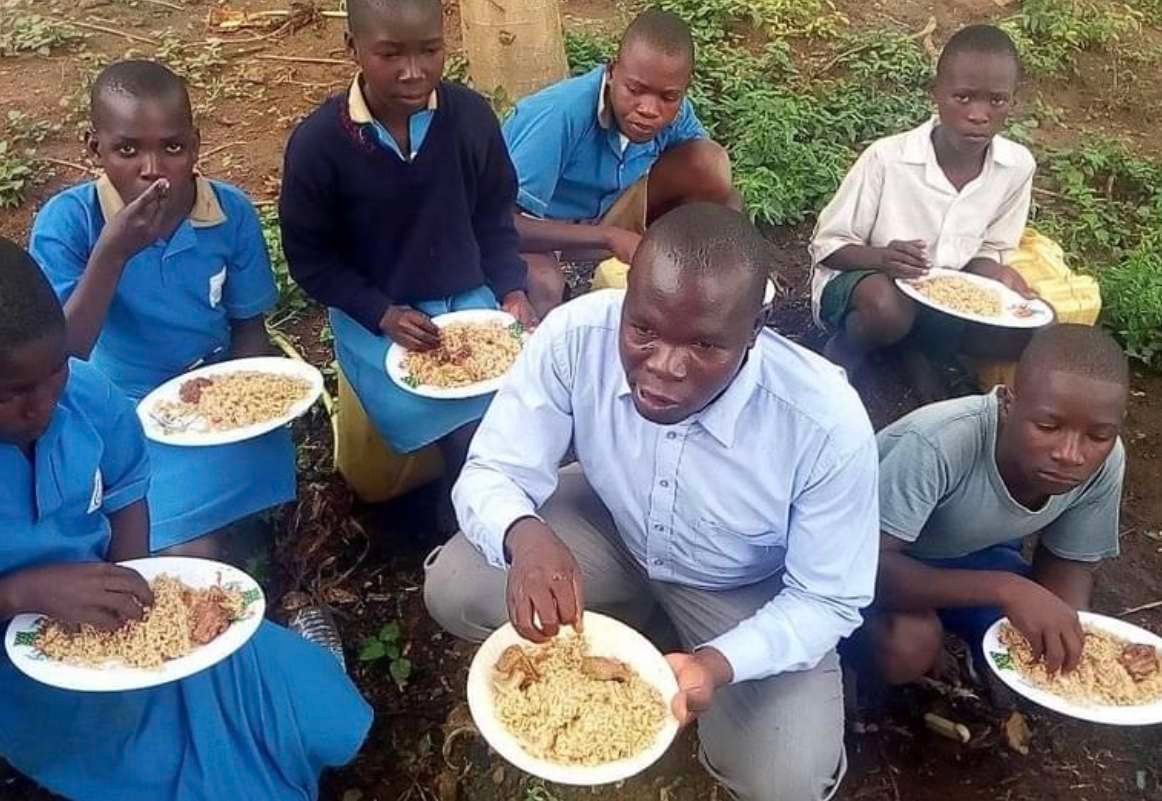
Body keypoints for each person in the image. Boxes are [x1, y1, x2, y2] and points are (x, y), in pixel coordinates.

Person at [424, 204, 880, 801]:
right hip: (611, 526)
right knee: (456, 586)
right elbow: (494, 468)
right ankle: (632, 610)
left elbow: (827, 597)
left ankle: (696, 656)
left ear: (755, 330)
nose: (664, 366)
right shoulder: (574, 337)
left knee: (785, 780)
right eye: (643, 330)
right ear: (626, 297)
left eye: (705, 344)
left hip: (741, 586)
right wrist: (524, 535)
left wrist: (718, 663)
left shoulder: (824, 423)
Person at [0, 233, 372, 801]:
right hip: (27, 676)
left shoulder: (84, 396)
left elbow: (126, 489)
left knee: (319, 710)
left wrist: (136, 586)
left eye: (55, 371)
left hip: (125, 618)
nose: (43, 405)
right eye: (5, 396)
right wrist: (17, 594)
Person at [279, 0, 536, 530]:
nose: (414, 71)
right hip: (377, 321)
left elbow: (494, 215)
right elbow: (310, 260)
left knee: (522, 409)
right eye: (390, 54)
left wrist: (511, 289)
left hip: (470, 306)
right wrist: (382, 313)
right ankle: (462, 524)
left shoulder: (470, 117)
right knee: (466, 433)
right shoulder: (319, 145)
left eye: (430, 50)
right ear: (352, 48)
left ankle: (476, 515)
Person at [29, 60, 294, 559]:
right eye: (127, 150)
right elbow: (64, 353)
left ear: (195, 145)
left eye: (172, 148)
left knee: (244, 512)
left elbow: (249, 327)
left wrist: (244, 407)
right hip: (117, 405)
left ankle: (243, 527)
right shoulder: (69, 223)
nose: (152, 168)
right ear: (95, 148)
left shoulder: (229, 212)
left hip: (215, 394)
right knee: (187, 552)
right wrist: (112, 253)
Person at [861, 324, 1127, 687]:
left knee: (1043, 640)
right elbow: (865, 570)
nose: (1070, 454)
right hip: (875, 563)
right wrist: (1006, 589)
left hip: (974, 557)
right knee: (908, 646)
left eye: (1098, 436)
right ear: (1008, 403)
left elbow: (1068, 566)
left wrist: (1068, 649)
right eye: (1047, 426)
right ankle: (848, 673)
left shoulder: (1106, 462)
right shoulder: (938, 443)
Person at [809, 25, 1037, 400]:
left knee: (1031, 327)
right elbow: (828, 246)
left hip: (942, 296)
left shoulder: (1016, 167)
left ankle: (918, 350)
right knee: (887, 309)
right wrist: (882, 258)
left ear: (1013, 101)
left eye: (997, 101)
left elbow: (989, 250)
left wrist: (999, 275)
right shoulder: (888, 158)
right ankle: (846, 350)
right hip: (866, 284)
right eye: (963, 97)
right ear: (936, 94)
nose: (979, 115)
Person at [503, 9, 738, 316]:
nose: (649, 109)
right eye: (635, 90)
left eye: (668, 97)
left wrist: (734, 259)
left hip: (607, 212)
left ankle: (663, 295)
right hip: (535, 229)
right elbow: (505, 224)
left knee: (710, 166)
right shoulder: (560, 115)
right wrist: (611, 238)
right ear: (612, 72)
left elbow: (715, 187)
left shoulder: (676, 112)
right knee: (544, 286)